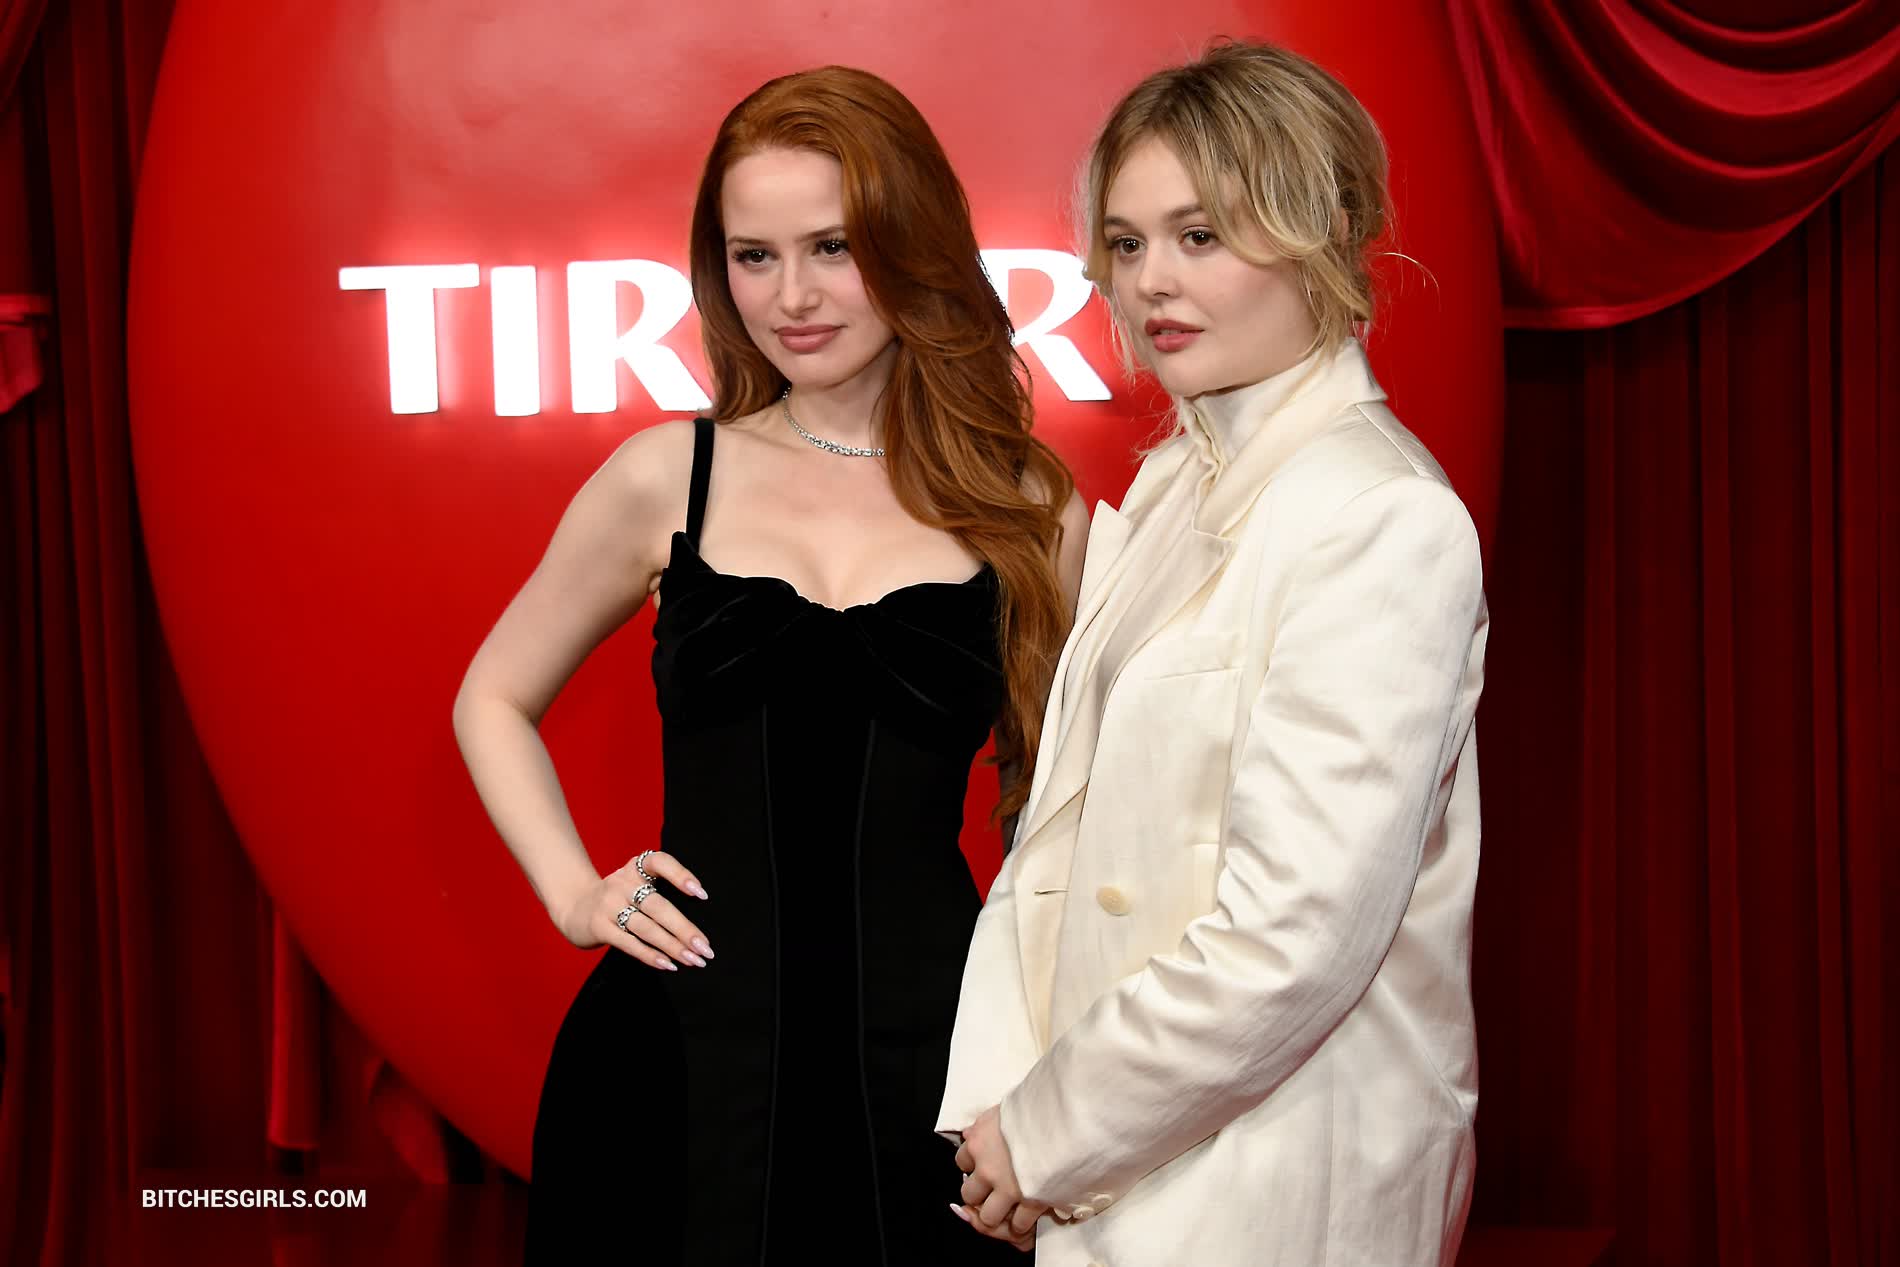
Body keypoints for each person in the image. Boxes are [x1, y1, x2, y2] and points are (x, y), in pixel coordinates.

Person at [452, 65, 1087, 1266]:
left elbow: (1070, 818)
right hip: (672, 1062)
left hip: (935, 1068)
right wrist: (574, 892)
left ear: (911, 243)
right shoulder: (665, 474)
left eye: (832, 247)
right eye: (754, 256)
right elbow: (491, 694)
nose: (790, 296)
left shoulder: (1028, 506)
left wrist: (1050, 1070)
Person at [939, 41, 1489, 1267]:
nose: (1151, 283)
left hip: (1282, 1172)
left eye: (1200, 235)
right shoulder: (1175, 484)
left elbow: (1295, 937)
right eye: (1126, 243)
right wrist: (1007, 1118)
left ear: (1321, 232)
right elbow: (1060, 848)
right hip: (1120, 1162)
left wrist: (1046, 1132)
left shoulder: (1379, 514)